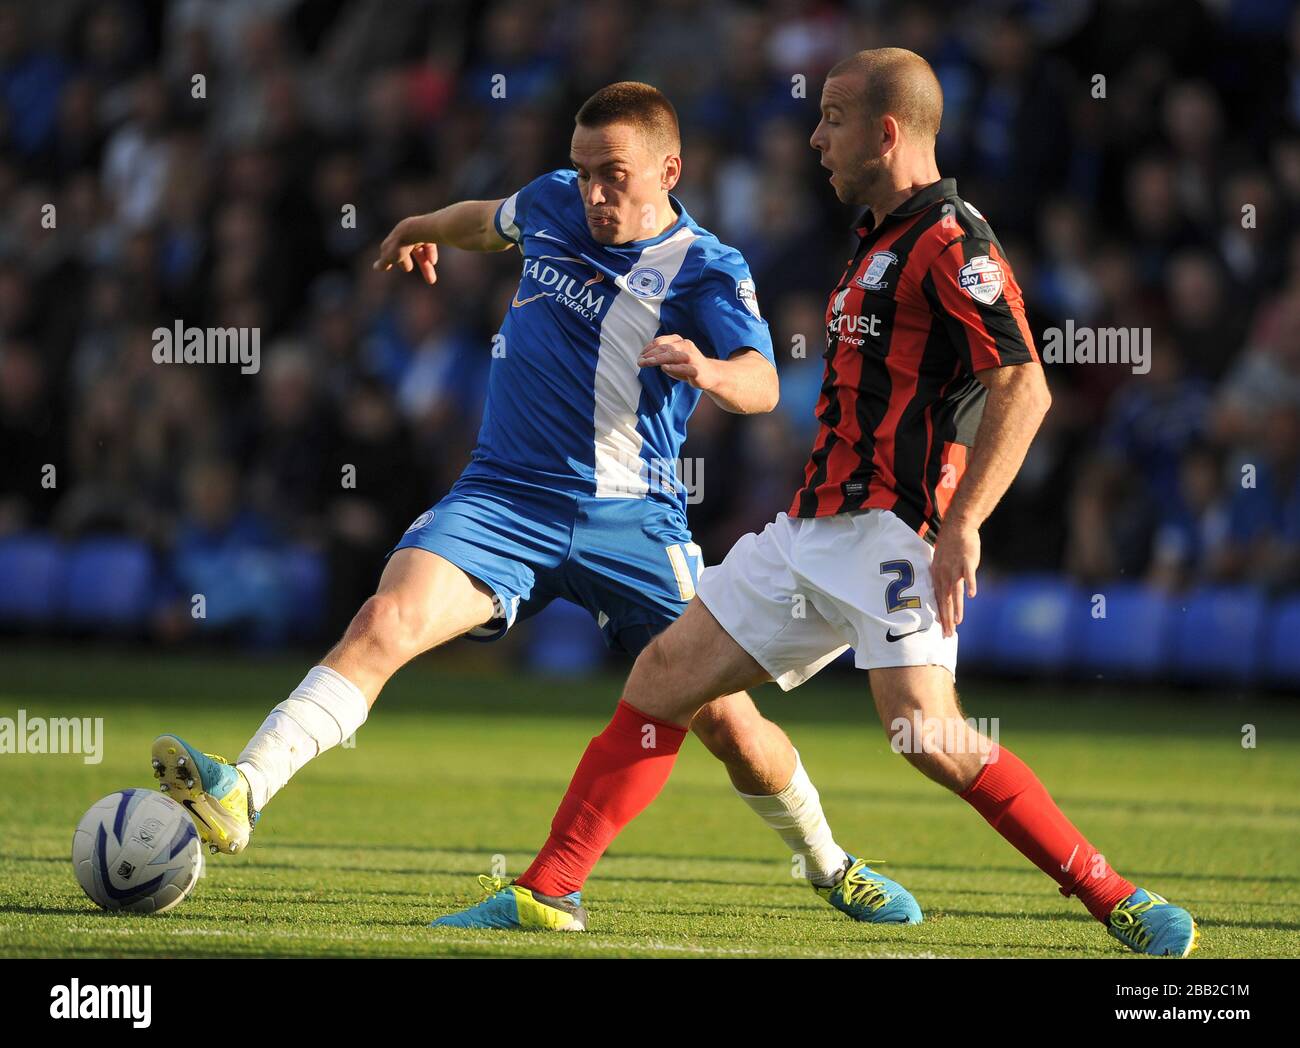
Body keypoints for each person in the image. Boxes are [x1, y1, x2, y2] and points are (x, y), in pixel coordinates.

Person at [437, 51, 1199, 958]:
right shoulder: (877, 234)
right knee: (661, 679)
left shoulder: (953, 241)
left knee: (927, 736)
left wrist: (963, 528)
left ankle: (1114, 896)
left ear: (887, 132)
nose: (813, 135)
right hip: (807, 529)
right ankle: (546, 891)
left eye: (832, 118)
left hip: (892, 534)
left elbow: (1024, 385)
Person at [151, 81, 917, 932]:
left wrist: (708, 371)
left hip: (635, 520)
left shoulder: (709, 267)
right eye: (582, 170)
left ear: (670, 169)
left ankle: (829, 862)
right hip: (503, 499)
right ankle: (242, 790)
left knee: (730, 727)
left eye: (613, 175)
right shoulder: (554, 200)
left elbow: (766, 382)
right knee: (384, 621)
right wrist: (422, 229)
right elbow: (493, 220)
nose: (592, 192)